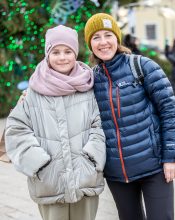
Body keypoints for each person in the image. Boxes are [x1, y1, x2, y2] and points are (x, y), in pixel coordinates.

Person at [84, 13, 175, 220]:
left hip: (155, 166)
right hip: (117, 173)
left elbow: (169, 111)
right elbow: (61, 91)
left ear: (117, 39)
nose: (103, 42)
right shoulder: (90, 79)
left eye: (108, 35)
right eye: (96, 37)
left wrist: (172, 157)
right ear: (89, 44)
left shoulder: (142, 66)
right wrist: (29, 95)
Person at [5, 25, 106, 220]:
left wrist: (92, 158)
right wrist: (39, 163)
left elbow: (99, 125)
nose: (62, 57)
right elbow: (17, 129)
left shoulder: (87, 85)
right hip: (49, 181)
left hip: (85, 177)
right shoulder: (34, 90)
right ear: (47, 55)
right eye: (56, 52)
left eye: (68, 51)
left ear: (75, 53)